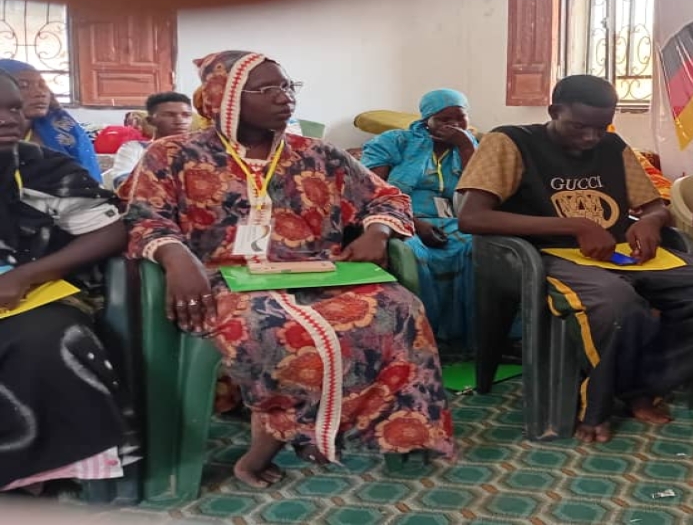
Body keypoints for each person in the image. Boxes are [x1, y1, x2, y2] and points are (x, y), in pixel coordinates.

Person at [122, 50, 453, 488]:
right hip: (225, 282)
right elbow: (145, 215)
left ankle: (392, 432)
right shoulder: (173, 154)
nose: (284, 98)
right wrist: (175, 255)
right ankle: (270, 444)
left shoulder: (317, 153)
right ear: (226, 97)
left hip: (321, 275)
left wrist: (377, 232)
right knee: (279, 328)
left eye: (287, 87)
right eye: (268, 89)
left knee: (400, 307)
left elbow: (388, 197)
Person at [456, 75, 693, 444]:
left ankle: (640, 383)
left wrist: (649, 221)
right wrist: (575, 225)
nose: (590, 138)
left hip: (616, 254)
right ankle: (597, 406)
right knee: (616, 302)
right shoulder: (511, 141)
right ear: (554, 111)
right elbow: (472, 217)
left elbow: (653, 205)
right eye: (579, 126)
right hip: (544, 253)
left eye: (601, 127)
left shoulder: (613, 146)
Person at [0, 70, 134, 492]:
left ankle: (38, 470)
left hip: (33, 294)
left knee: (49, 341)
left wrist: (27, 274)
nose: (9, 119)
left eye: (13, 108)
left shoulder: (44, 167)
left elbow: (111, 230)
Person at [361, 88, 476, 348]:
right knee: (413, 253)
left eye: (460, 118)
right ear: (427, 121)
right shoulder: (395, 141)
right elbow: (371, 189)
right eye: (444, 120)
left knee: (478, 248)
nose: (455, 125)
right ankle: (423, 337)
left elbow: (481, 188)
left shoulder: (470, 146)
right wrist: (414, 222)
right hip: (400, 218)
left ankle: (468, 338)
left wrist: (465, 144)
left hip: (458, 219)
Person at [0, 60, 101, 181]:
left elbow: (90, 188)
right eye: (23, 86)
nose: (40, 93)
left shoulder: (66, 134)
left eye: (42, 85)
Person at [103, 91, 194, 190]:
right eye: (169, 115)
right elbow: (122, 182)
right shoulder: (134, 149)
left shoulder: (200, 150)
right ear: (150, 121)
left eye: (186, 115)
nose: (180, 121)